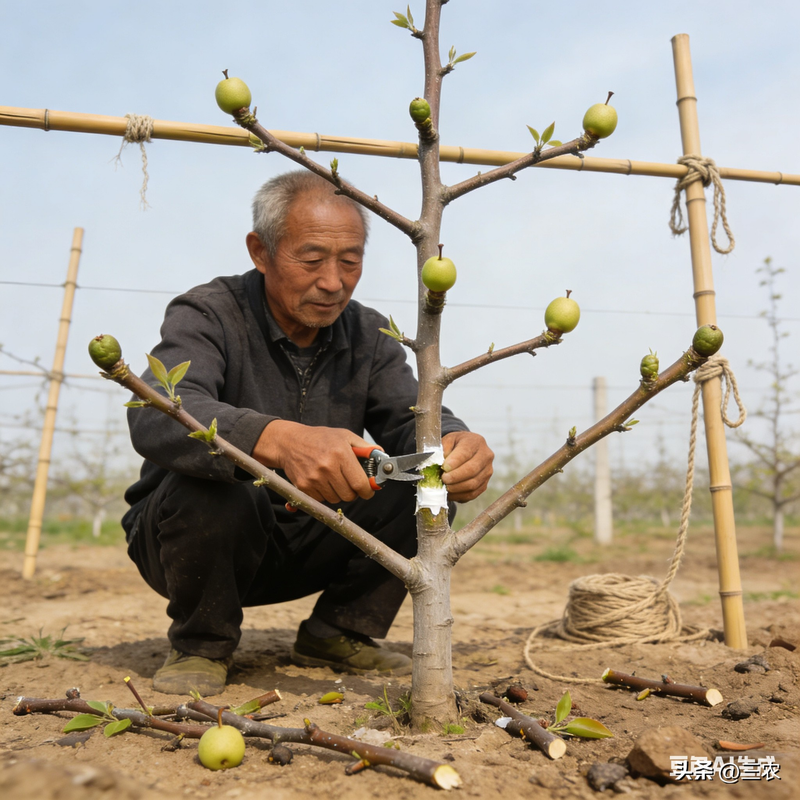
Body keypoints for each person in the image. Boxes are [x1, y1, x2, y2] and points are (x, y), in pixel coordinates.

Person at [121, 170, 494, 695]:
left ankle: (340, 629)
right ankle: (201, 643)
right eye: (312, 259)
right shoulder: (208, 313)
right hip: (192, 544)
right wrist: (278, 439)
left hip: (311, 532)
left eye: (351, 260)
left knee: (425, 483)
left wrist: (455, 442)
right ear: (261, 251)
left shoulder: (368, 334)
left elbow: (411, 419)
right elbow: (157, 414)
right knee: (222, 484)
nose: (333, 281)